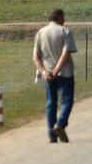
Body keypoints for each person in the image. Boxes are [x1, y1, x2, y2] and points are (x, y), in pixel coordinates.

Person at [32, 9, 78, 143]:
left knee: (51, 103)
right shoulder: (65, 31)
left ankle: (51, 134)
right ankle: (60, 124)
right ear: (58, 17)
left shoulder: (41, 32)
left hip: (48, 74)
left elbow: (36, 57)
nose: (64, 20)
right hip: (65, 73)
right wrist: (57, 69)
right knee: (67, 100)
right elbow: (66, 53)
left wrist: (44, 71)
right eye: (63, 17)